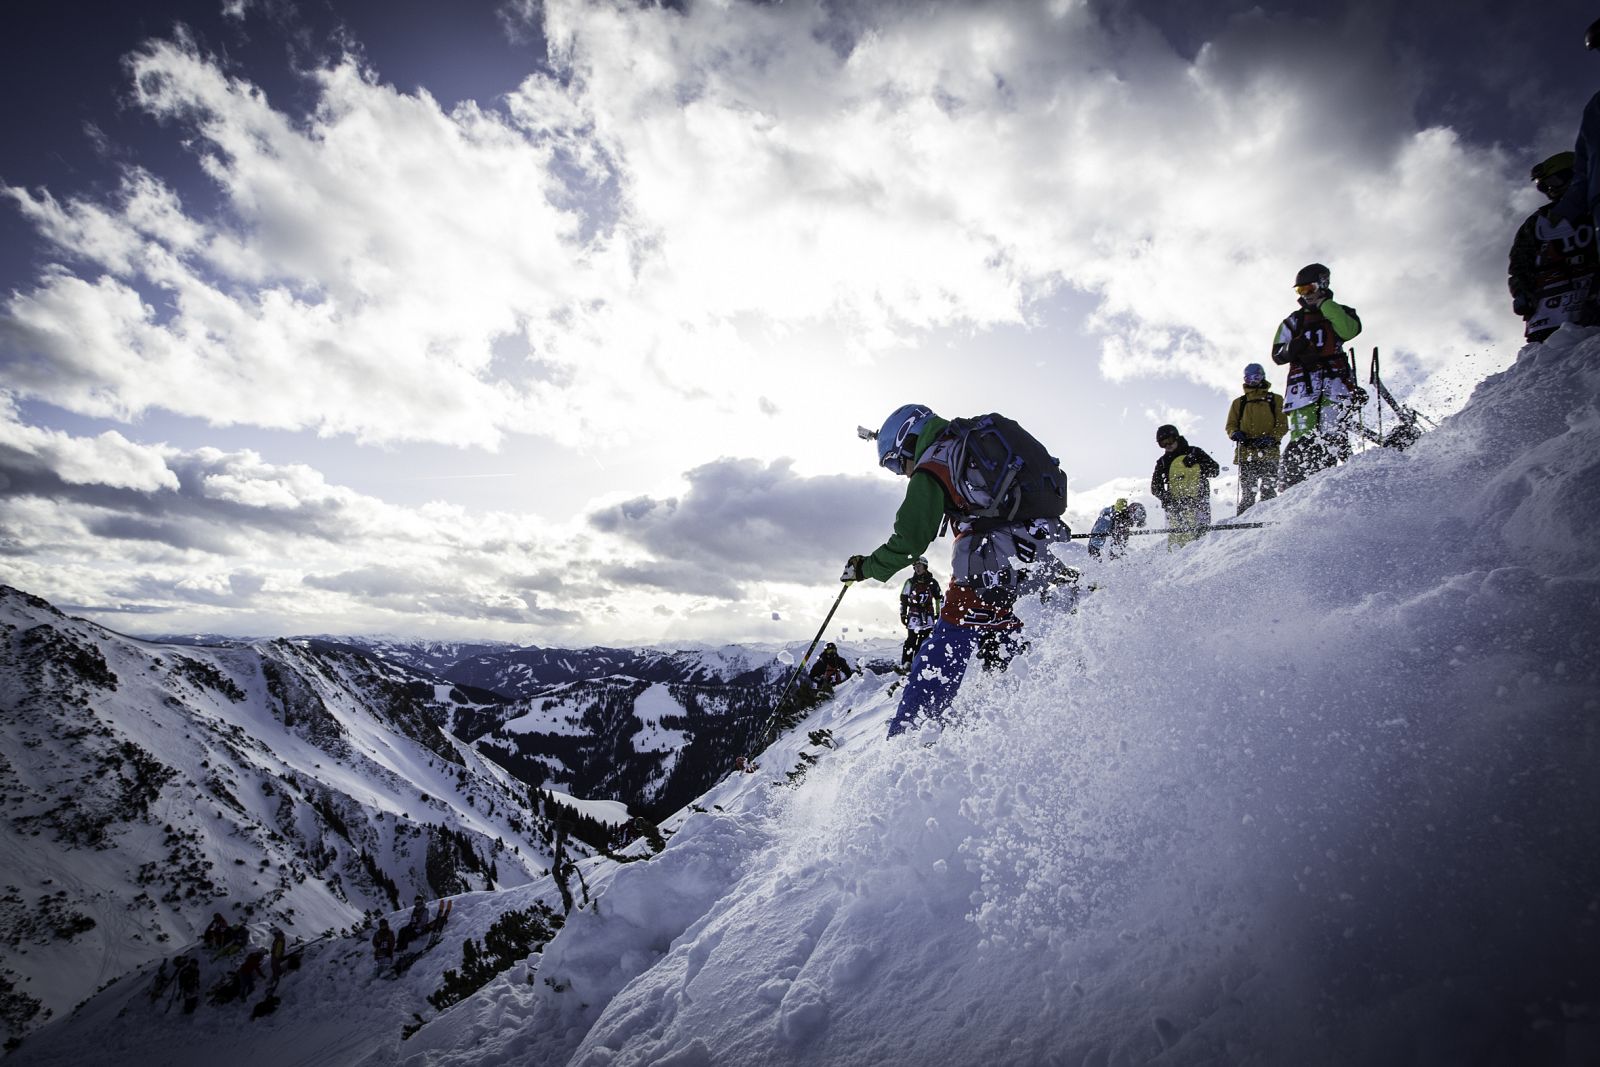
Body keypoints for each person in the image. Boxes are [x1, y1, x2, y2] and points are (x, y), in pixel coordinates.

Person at [848, 405, 1069, 737]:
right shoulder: (968, 445)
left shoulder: (933, 464)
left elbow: (910, 540)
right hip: (1041, 546)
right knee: (1008, 630)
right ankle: (1024, 718)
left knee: (945, 645)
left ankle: (909, 737)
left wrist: (866, 567)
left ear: (908, 439)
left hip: (992, 562)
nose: (901, 473)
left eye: (895, 463)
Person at [1271, 263, 1364, 488]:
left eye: (1309, 288)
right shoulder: (1293, 321)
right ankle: (1294, 487)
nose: (1305, 294)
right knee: (1303, 438)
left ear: (1322, 284)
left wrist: (1326, 305)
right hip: (1302, 390)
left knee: (1332, 436)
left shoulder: (1341, 311)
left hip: (1335, 385)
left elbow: (1349, 330)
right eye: (1300, 290)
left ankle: (1331, 483)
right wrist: (1294, 348)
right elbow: (1277, 354)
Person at [1509, 152, 1597, 343]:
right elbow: (1519, 263)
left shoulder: (1595, 208)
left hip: (1592, 293)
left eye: (1555, 181)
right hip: (1550, 310)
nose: (1551, 190)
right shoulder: (1539, 222)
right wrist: (1522, 292)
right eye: (1544, 186)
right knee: (1551, 356)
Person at [1224, 363, 1289, 513]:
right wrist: (1235, 433)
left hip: (1269, 452)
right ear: (1245, 380)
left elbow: (1282, 424)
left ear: (1262, 377)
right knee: (1248, 493)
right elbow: (1230, 425)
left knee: (1268, 491)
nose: (1253, 381)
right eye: (1249, 378)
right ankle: (1243, 520)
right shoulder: (1239, 403)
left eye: (1256, 377)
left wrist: (1272, 438)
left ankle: (1268, 517)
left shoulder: (1275, 399)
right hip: (1246, 454)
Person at [1151, 424, 1220, 548]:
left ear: (1176, 437)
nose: (1167, 445)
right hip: (1176, 505)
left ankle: (1202, 550)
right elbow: (1155, 487)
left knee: (1199, 538)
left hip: (1199, 501)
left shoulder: (1194, 452)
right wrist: (1167, 499)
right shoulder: (1163, 462)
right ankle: (1177, 555)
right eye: (1163, 443)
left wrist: (1198, 465)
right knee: (1178, 539)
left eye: (1169, 440)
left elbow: (1215, 470)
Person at [898, 556, 943, 669]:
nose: (917, 569)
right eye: (915, 567)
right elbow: (903, 599)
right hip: (914, 614)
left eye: (919, 566)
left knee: (925, 640)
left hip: (928, 615)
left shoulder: (932, 582)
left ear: (925, 567)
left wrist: (939, 613)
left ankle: (919, 663)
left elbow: (939, 598)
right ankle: (906, 663)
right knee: (911, 639)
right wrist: (903, 614)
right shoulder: (910, 582)